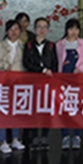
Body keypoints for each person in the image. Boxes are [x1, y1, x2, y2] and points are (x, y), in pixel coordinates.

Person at [0, 20, 26, 154]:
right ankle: (3, 141)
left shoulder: (23, 46)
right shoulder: (0, 46)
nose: (14, 32)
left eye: (16, 29)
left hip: (18, 83)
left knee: (16, 112)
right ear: (6, 31)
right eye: (11, 29)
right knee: (2, 111)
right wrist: (2, 66)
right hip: (2, 83)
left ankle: (15, 139)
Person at [56, 18, 83, 150]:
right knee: (64, 108)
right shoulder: (60, 44)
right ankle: (65, 136)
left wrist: (80, 68)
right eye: (71, 29)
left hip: (79, 80)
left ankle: (77, 136)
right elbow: (58, 61)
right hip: (64, 81)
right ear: (66, 30)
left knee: (79, 107)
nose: (74, 32)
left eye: (76, 29)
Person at [22, 17, 58, 151]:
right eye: (39, 27)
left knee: (46, 109)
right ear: (34, 29)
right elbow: (26, 63)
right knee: (33, 109)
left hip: (48, 83)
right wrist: (42, 70)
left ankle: (44, 136)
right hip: (33, 82)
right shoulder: (28, 45)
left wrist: (52, 73)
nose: (42, 30)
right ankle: (33, 136)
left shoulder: (51, 46)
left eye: (44, 27)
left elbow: (55, 63)